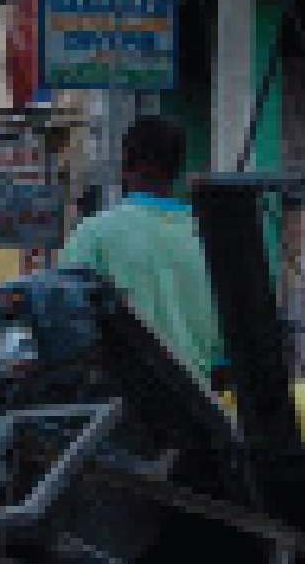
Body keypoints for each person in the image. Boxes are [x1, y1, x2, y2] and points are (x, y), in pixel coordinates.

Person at [55, 113, 221, 378]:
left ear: (126, 164)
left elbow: (62, 322)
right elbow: (225, 349)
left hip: (123, 407)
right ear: (178, 169)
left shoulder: (94, 234)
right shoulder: (211, 237)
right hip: (200, 408)